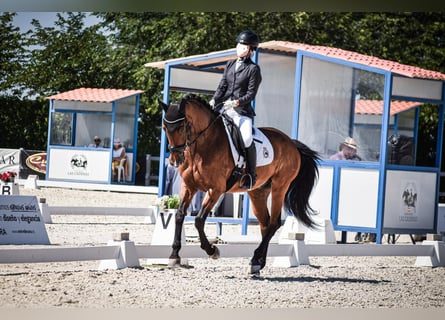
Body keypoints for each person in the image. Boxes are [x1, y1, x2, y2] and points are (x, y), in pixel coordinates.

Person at [209, 30, 262, 189]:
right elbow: (222, 86)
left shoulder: (254, 69)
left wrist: (236, 102)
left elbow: (251, 94)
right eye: (239, 44)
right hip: (224, 108)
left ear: (251, 49)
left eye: (244, 45)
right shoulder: (230, 64)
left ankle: (251, 175)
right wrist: (214, 100)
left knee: (246, 138)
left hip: (241, 111)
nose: (240, 47)